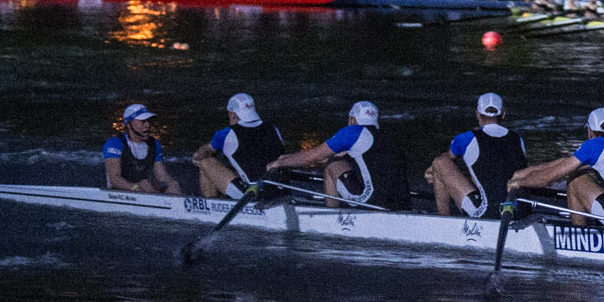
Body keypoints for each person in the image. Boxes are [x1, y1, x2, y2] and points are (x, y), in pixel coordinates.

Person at [511, 107, 604, 229]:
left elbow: (548, 178)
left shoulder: (594, 145)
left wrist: (518, 183)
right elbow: (566, 162)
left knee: (575, 180)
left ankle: (579, 236)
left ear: (590, 131)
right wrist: (527, 172)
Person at [272, 101, 408, 210]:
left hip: (371, 201)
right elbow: (326, 156)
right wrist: (284, 158)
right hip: (401, 201)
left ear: (352, 119)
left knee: (332, 166)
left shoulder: (352, 132)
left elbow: (314, 156)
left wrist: (277, 163)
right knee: (334, 160)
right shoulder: (386, 135)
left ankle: (332, 213)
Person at [427, 93, 526, 219]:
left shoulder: (465, 138)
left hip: (487, 212)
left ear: (478, 114)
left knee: (439, 163)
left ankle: (442, 219)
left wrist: (431, 172)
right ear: (503, 114)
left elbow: (446, 160)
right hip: (517, 210)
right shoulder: (518, 139)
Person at [194, 92, 288, 199]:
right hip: (281, 190)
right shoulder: (273, 128)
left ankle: (211, 205)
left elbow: (201, 153)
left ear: (231, 114)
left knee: (205, 162)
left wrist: (196, 158)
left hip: (253, 195)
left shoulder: (225, 134)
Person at [102, 102, 185, 195]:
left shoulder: (154, 144)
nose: (148, 125)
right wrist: (135, 187)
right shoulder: (114, 143)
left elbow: (161, 175)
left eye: (148, 121)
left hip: (144, 189)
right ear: (129, 125)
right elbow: (114, 179)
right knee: (144, 184)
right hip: (118, 192)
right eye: (143, 121)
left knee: (173, 186)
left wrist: (171, 184)